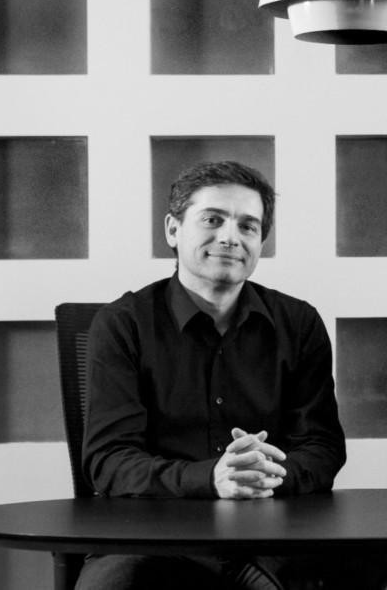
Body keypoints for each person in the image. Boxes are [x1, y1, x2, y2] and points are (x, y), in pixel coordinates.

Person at [77, 160, 346, 590]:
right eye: (213, 220)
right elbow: (109, 460)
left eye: (248, 226)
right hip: (151, 534)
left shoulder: (299, 324)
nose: (230, 237)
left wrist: (265, 476)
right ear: (173, 230)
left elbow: (323, 447)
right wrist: (211, 478)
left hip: (273, 533)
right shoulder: (123, 324)